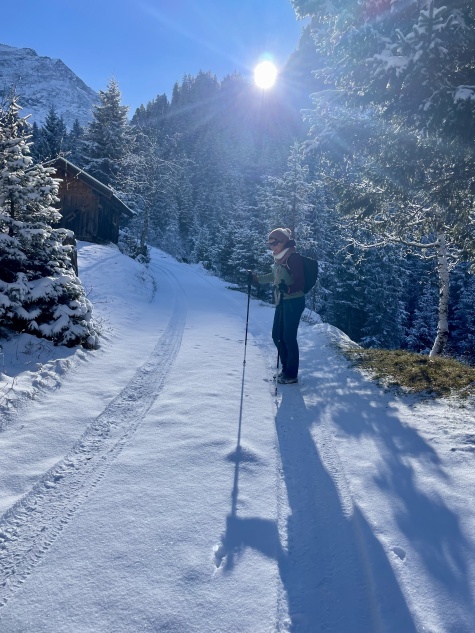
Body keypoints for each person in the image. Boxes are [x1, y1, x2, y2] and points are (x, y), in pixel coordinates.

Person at [254, 228, 305, 384]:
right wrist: (256, 279)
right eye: (270, 245)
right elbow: (273, 276)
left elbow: (300, 281)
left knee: (288, 337)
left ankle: (292, 374)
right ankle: (285, 369)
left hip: (294, 301)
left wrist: (288, 288)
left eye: (275, 244)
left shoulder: (293, 257)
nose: (272, 248)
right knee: (277, 335)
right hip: (282, 301)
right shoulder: (278, 258)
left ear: (283, 242)